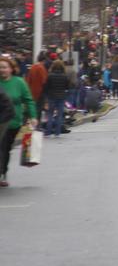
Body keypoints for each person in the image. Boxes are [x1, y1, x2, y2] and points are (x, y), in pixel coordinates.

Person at [0, 55, 38, 188]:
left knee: (4, 147)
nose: (2, 70)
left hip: (12, 120)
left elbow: (28, 100)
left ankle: (2, 173)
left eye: (4, 67)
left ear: (11, 69)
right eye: (0, 68)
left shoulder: (19, 82)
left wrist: (33, 116)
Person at [42, 60, 70, 137]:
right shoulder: (65, 76)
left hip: (52, 97)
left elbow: (46, 87)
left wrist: (47, 96)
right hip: (61, 97)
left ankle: (48, 132)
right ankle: (57, 132)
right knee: (59, 115)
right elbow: (67, 86)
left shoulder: (50, 75)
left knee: (50, 114)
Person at [25, 52, 48, 120]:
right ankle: (37, 125)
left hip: (32, 91)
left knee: (32, 108)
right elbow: (44, 81)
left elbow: (28, 79)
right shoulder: (42, 68)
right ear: (44, 60)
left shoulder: (33, 67)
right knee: (39, 109)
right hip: (40, 92)